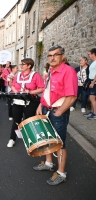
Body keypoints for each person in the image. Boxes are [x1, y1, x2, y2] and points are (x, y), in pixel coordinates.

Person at [35, 45, 77, 186]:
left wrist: (59, 112)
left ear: (62, 56)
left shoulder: (68, 71)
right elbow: (47, 91)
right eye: (50, 55)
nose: (52, 58)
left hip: (57, 111)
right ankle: (48, 163)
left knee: (59, 144)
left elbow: (71, 97)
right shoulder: (51, 71)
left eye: (55, 55)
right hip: (46, 109)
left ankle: (61, 173)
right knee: (48, 139)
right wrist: (41, 104)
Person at [7, 58, 44, 148]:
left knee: (29, 121)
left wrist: (31, 92)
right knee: (16, 120)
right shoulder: (18, 75)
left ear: (29, 66)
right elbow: (13, 85)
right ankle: (12, 138)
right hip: (18, 101)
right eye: (21, 64)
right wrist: (17, 92)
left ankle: (30, 140)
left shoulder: (36, 75)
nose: (21, 66)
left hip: (30, 102)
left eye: (23, 64)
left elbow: (42, 88)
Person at [84, 48, 96, 119]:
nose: (88, 55)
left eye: (89, 54)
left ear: (93, 54)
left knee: (92, 98)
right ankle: (92, 112)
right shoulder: (93, 62)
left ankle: (95, 114)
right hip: (91, 81)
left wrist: (93, 82)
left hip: (94, 82)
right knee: (91, 98)